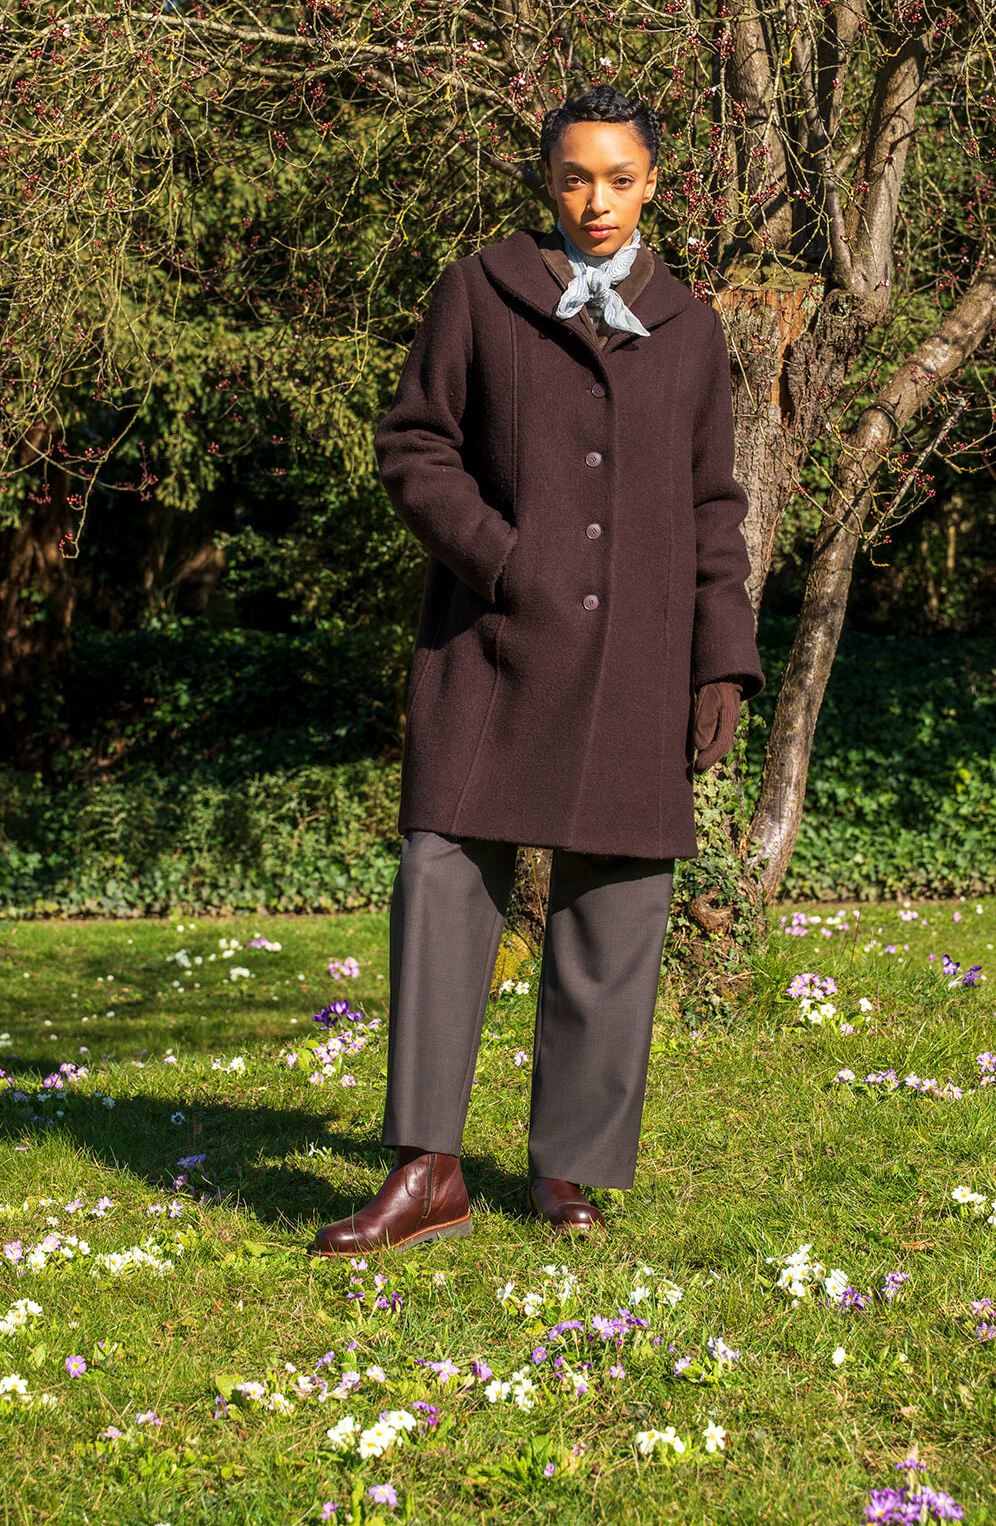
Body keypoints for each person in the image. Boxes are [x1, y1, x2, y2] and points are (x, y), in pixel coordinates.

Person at [309, 84, 764, 1254]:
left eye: (619, 178)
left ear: (653, 183)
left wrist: (724, 660)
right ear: (545, 183)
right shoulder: (480, 289)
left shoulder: (695, 326)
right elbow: (415, 444)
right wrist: (503, 560)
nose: (596, 201)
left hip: (639, 657)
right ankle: (428, 1169)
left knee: (613, 911)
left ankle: (569, 1169)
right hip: (490, 649)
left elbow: (714, 505)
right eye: (575, 178)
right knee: (443, 881)